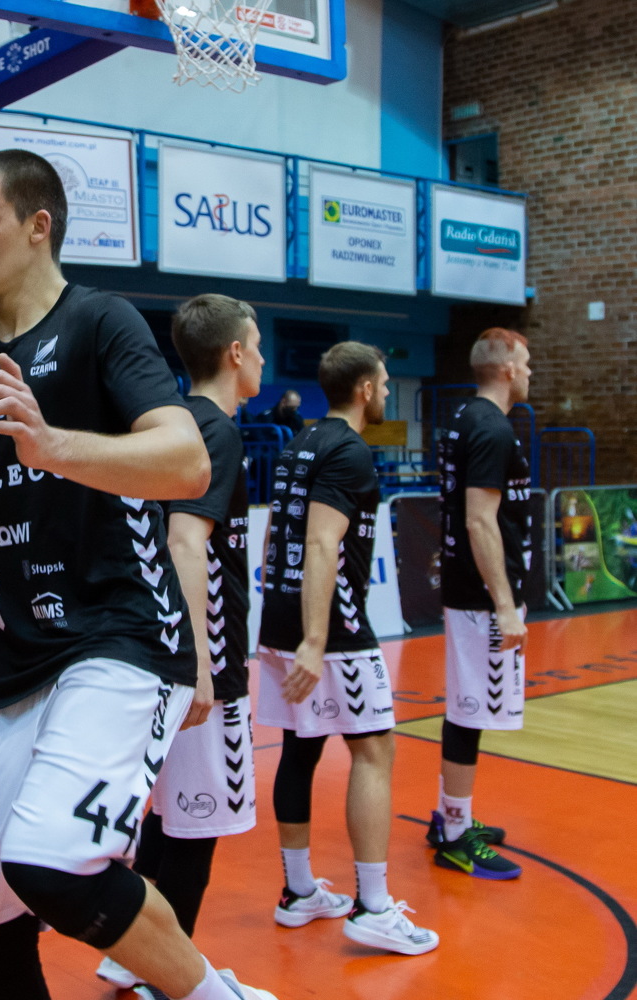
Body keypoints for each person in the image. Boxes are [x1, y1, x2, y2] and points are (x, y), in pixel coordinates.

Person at [0, 148, 279, 1000]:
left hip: (121, 640)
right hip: (13, 665)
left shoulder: (102, 322)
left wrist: (51, 445)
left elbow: (185, 463)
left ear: (40, 226)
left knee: (54, 865)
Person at [94, 294, 264, 995]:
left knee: (169, 818)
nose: (261, 358)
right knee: (197, 822)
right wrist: (201, 664)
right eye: (256, 345)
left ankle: (131, 955)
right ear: (234, 353)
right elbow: (186, 542)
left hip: (160, 649)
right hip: (201, 657)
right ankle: (174, 978)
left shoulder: (169, 424)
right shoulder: (213, 431)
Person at [256, 341, 438, 956]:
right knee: (374, 750)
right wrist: (314, 640)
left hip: (281, 612)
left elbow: (276, 530)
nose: (385, 392)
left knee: (300, 747)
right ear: (364, 389)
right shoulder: (351, 450)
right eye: (383, 384)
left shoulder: (299, 443)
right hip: (331, 625)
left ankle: (299, 892)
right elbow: (320, 542)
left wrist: (280, 617)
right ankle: (375, 907)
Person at [425, 327, 533, 879]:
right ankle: (455, 836)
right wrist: (505, 605)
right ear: (508, 368)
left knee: (469, 708)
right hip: (481, 597)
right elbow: (478, 520)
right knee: (471, 711)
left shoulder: (467, 417)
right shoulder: (490, 427)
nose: (530, 372)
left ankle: (450, 815)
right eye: (527, 363)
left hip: (471, 590)